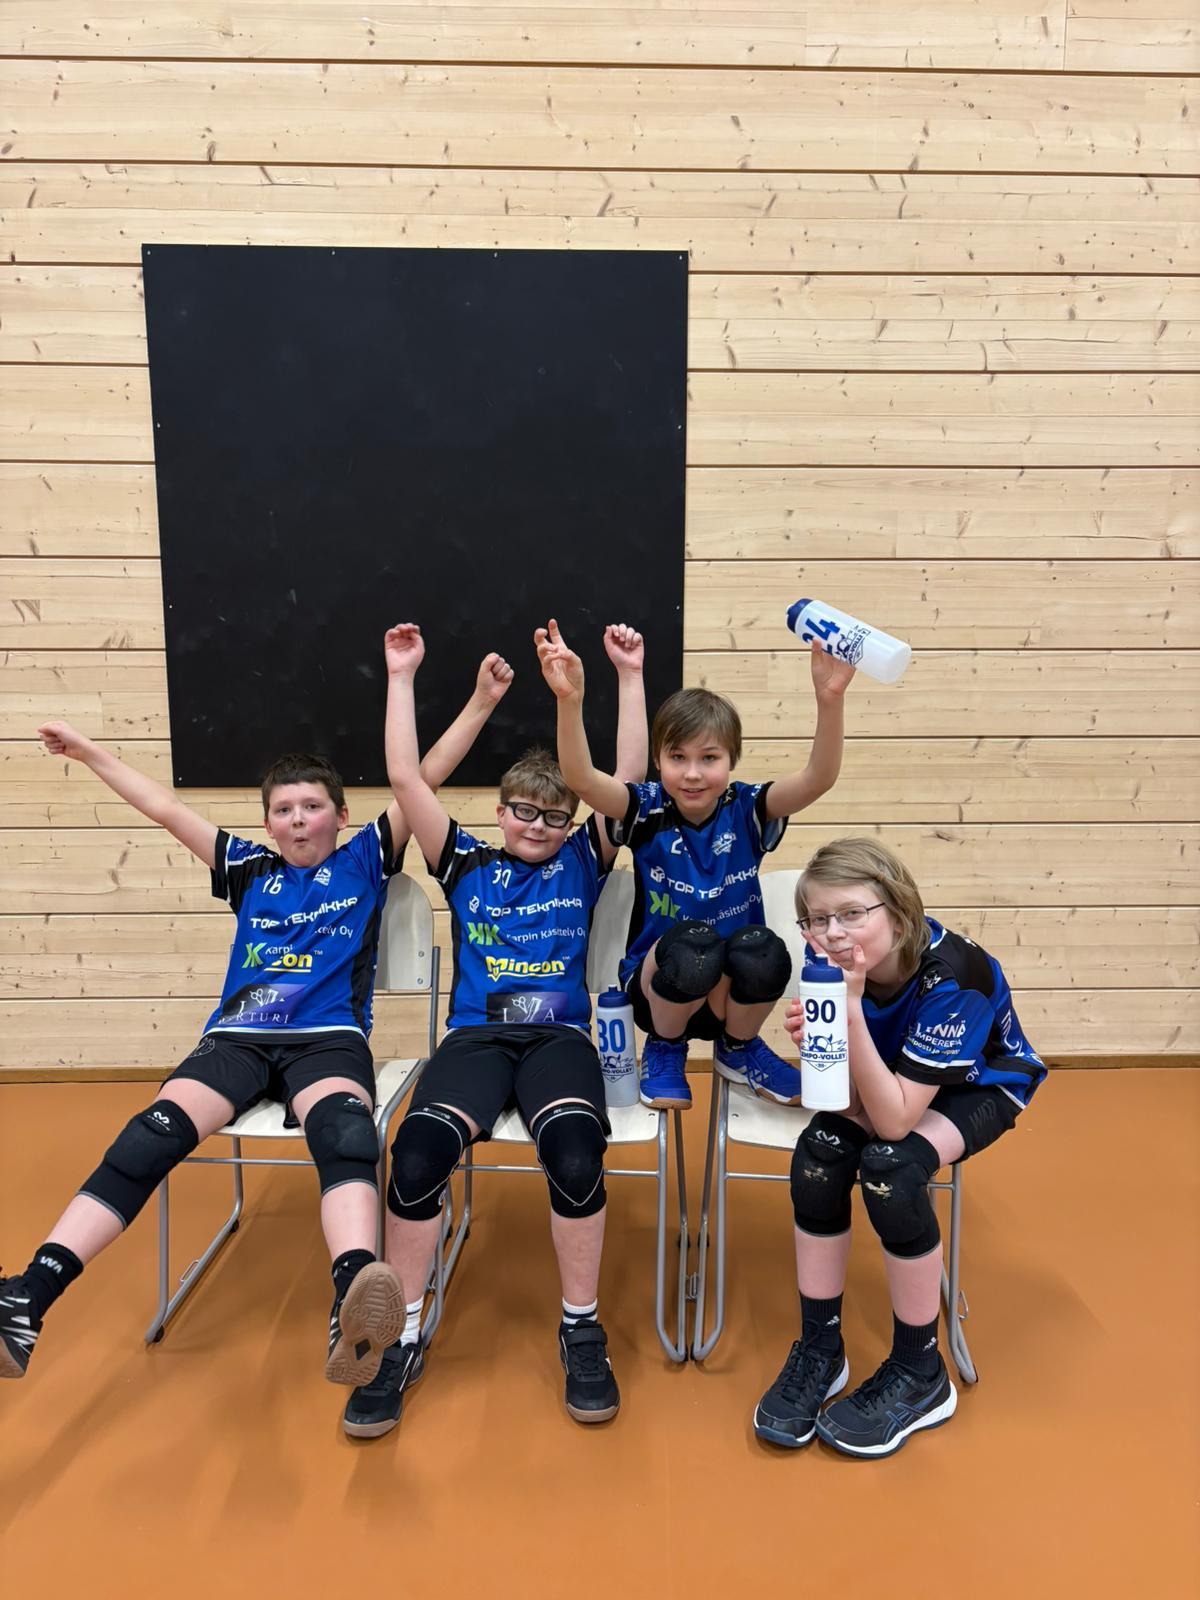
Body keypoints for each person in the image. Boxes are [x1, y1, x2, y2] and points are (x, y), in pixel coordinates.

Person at [0, 650, 514, 1392]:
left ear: (340, 816)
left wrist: (474, 701)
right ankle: (29, 1297)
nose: (297, 819)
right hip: (236, 1042)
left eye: (312, 806)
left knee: (346, 1134)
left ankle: (352, 1301)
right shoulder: (247, 870)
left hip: (325, 1042)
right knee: (150, 1137)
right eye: (283, 809)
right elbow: (164, 808)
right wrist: (88, 752)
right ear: (268, 822)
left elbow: (422, 774)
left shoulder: (366, 859)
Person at [342, 620, 646, 1439]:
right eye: (523, 811)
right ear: (501, 811)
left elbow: (627, 779)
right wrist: (408, 680)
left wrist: (624, 680)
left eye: (554, 815)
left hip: (559, 1042)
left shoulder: (583, 861)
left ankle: (581, 1327)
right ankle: (399, 1333)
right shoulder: (466, 864)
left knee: (576, 1153)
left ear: (571, 822)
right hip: (475, 1041)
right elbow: (405, 778)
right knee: (415, 1155)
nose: (537, 825)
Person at [755, 836, 1046, 1458]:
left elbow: (892, 1125)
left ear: (899, 911)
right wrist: (822, 1045)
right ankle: (821, 1348)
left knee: (892, 1170)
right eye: (817, 918)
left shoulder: (955, 978)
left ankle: (921, 1372)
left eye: (851, 913)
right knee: (819, 1155)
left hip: (978, 1086)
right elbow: (840, 1102)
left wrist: (849, 1015)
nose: (833, 932)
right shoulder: (831, 963)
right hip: (894, 1077)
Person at [536, 619, 854, 1110]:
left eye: (708, 758)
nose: (691, 773)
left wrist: (829, 698)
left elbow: (819, 778)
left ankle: (738, 1049)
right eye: (677, 757)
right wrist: (569, 700)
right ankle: (665, 1048)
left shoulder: (747, 808)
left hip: (728, 993)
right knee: (692, 945)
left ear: (731, 760)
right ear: (659, 760)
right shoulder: (645, 809)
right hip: (660, 987)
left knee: (765, 950)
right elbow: (580, 778)